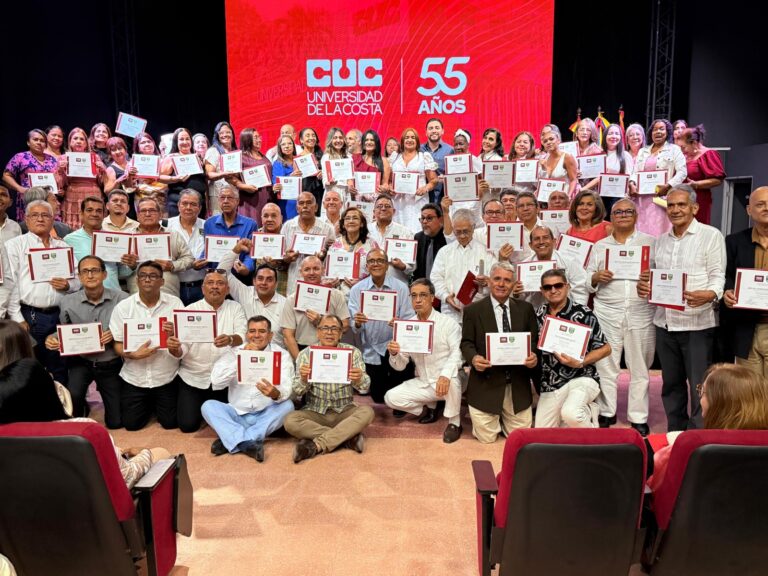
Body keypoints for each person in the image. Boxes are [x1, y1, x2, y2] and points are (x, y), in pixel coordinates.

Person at [0, 319, 170, 489]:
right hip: (89, 510)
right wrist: (145, 454)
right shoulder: (83, 431)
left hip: (22, 507)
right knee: (162, 453)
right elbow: (126, 477)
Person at [637, 185, 725, 431]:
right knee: (671, 384)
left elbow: (718, 275)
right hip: (665, 323)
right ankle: (675, 431)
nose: (675, 210)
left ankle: (697, 435)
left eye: (681, 204)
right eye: (671, 205)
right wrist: (644, 285)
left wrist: (711, 294)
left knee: (700, 386)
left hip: (697, 323)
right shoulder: (661, 241)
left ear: (694, 207)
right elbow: (652, 276)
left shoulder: (711, 235)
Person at [587, 199, 656, 435]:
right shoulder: (600, 246)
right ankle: (607, 411)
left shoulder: (650, 243)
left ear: (636, 215)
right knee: (607, 365)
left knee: (640, 367)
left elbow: (663, 278)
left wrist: (651, 280)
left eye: (628, 211)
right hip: (607, 311)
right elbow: (586, 280)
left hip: (641, 312)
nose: (623, 215)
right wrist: (597, 277)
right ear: (611, 217)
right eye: (618, 212)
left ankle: (639, 416)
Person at [648, 363, 768, 492]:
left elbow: (659, 494)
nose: (700, 399)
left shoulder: (691, 446)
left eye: (703, 392)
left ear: (720, 403)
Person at [44, 255, 128, 427]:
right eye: (85, 271)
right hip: (81, 362)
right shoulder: (68, 301)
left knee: (116, 422)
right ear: (80, 276)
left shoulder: (122, 299)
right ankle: (83, 408)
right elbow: (63, 331)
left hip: (109, 362)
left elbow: (131, 331)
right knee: (72, 406)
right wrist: (51, 339)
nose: (90, 275)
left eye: (95, 270)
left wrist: (114, 333)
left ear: (105, 275)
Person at [461, 262, 539, 442]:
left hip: (517, 383)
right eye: (497, 279)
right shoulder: (473, 310)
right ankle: (491, 416)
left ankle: (504, 417)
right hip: (486, 382)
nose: (501, 284)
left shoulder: (525, 309)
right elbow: (466, 343)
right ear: (488, 281)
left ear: (513, 284)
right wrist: (474, 359)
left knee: (519, 438)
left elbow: (533, 341)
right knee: (487, 438)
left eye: (507, 280)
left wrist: (533, 356)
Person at [203, 315, 294, 461]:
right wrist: (242, 358)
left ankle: (234, 440)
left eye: (262, 331)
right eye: (252, 331)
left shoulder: (281, 355)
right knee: (208, 406)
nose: (256, 335)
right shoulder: (235, 352)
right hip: (237, 414)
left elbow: (287, 387)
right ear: (247, 335)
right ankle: (249, 441)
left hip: (265, 414)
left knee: (288, 406)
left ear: (270, 336)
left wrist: (276, 393)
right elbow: (216, 380)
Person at [6, 200, 79, 383]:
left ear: (53, 219)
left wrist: (68, 285)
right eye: (35, 215)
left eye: (45, 215)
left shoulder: (63, 247)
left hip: (61, 314)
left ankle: (62, 408)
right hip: (30, 315)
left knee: (60, 365)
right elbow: (10, 283)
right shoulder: (14, 245)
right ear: (27, 219)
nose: (40, 219)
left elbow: (79, 278)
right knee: (30, 368)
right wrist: (17, 317)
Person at [284, 314, 373, 463]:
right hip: (315, 412)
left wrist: (359, 379)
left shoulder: (353, 353)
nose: (329, 332)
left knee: (367, 412)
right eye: (325, 328)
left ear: (340, 333)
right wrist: (304, 380)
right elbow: (297, 391)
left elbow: (365, 385)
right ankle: (346, 438)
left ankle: (317, 445)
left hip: (345, 410)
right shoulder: (305, 355)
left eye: (334, 329)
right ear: (318, 332)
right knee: (290, 420)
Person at [166, 269, 246, 433]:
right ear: (203, 289)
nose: (215, 287)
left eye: (220, 283)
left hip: (224, 378)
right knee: (187, 426)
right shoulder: (189, 311)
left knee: (234, 421)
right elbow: (182, 349)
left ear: (228, 289)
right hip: (194, 375)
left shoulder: (235, 308)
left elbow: (242, 336)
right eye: (210, 283)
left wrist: (230, 339)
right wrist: (174, 349)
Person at [386, 278, 464, 442]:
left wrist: (445, 375)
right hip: (424, 382)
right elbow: (400, 366)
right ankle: (429, 407)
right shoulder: (407, 327)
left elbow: (457, 354)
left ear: (432, 298)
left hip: (448, 380)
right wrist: (394, 354)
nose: (418, 300)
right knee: (390, 398)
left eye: (423, 295)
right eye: (414, 296)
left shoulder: (448, 323)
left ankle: (454, 422)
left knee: (453, 381)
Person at [110, 261, 183, 430]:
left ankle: (156, 405)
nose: (147, 279)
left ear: (162, 282)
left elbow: (182, 343)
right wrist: (131, 355)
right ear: (137, 280)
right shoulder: (123, 307)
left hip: (165, 376)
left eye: (153, 276)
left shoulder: (175, 304)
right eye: (143, 276)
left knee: (170, 423)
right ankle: (149, 405)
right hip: (135, 377)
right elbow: (118, 343)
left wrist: (173, 334)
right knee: (131, 425)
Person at [535, 268, 612, 428]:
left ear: (567, 286)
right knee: (542, 434)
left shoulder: (584, 313)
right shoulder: (538, 314)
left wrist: (580, 362)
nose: (553, 290)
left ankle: (591, 428)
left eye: (558, 285)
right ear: (542, 291)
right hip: (550, 384)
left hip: (581, 377)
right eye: (548, 287)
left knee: (572, 414)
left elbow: (606, 348)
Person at [348, 247, 414, 403]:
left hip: (394, 347)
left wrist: (398, 324)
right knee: (378, 397)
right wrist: (357, 322)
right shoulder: (357, 289)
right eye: (371, 261)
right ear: (366, 266)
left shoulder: (401, 288)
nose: (376, 264)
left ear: (387, 265)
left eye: (380, 261)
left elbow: (409, 318)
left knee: (399, 394)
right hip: (371, 348)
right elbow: (353, 325)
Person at [721, 186, 768, 378]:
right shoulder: (734, 241)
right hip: (745, 328)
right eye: (760, 204)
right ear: (749, 210)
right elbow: (726, 275)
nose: (766, 208)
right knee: (749, 393)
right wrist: (727, 292)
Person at [431, 208, 494, 326]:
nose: (462, 236)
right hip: (450, 313)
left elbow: (495, 280)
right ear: (453, 229)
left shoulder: (486, 252)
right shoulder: (444, 252)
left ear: (473, 227)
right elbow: (436, 278)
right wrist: (446, 296)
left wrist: (487, 282)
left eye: (466, 231)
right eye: (458, 232)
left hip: (479, 311)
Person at [219, 240, 287, 347]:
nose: (264, 283)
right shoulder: (245, 293)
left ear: (276, 284)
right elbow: (221, 272)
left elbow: (288, 337)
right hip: (247, 352)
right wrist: (236, 250)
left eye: (269, 279)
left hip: (275, 354)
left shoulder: (285, 304)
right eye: (260, 278)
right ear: (254, 281)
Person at [280, 256, 350, 359]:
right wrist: (300, 361)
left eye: (316, 269)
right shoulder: (291, 300)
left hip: (332, 348)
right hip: (302, 349)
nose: (312, 273)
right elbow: (288, 335)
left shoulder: (337, 295)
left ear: (323, 271)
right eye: (307, 269)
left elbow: (345, 326)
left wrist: (321, 322)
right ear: (301, 272)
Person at [629, 119, 687, 237]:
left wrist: (668, 186)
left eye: (661, 129)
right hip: (642, 200)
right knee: (641, 234)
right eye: (655, 129)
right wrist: (632, 183)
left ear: (667, 132)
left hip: (662, 199)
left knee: (660, 234)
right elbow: (635, 172)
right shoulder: (643, 151)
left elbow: (682, 172)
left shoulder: (674, 149)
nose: (658, 132)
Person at [63, 196, 134, 291]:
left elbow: (122, 273)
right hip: (85, 298)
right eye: (89, 210)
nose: (94, 214)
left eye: (99, 211)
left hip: (113, 295)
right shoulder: (69, 240)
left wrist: (132, 265)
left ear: (104, 215)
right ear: (81, 214)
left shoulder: (116, 239)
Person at [126, 197, 193, 297]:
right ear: (137, 216)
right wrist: (131, 266)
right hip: (137, 294)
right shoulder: (127, 236)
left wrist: (172, 266)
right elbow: (118, 268)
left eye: (152, 210)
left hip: (168, 293)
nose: (147, 214)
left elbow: (189, 259)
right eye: (143, 211)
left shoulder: (173, 234)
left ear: (160, 214)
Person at [514, 225, 588, 308]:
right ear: (531, 245)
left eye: (545, 237)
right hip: (535, 312)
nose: (541, 241)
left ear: (554, 241)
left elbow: (580, 288)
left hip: (565, 312)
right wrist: (517, 294)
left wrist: (575, 312)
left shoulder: (569, 261)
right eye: (537, 239)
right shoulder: (524, 266)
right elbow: (522, 297)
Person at [202, 186, 257, 282]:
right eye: (222, 198)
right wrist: (199, 261)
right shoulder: (209, 223)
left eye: (230, 198)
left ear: (237, 201)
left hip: (240, 278)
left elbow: (251, 253)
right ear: (218, 201)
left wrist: (247, 268)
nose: (226, 201)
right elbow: (207, 250)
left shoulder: (250, 224)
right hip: (216, 278)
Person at [280, 191, 335, 288]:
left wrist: (323, 256)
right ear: (297, 208)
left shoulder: (328, 228)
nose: (305, 206)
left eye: (309, 203)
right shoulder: (287, 226)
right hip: (294, 281)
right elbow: (280, 257)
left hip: (320, 283)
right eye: (301, 203)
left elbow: (333, 260)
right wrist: (286, 259)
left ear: (316, 207)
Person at [55, 127, 107, 229]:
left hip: (93, 194)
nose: (78, 141)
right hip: (72, 195)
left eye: (82, 139)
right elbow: (61, 185)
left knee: (94, 225)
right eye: (75, 138)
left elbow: (101, 182)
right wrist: (60, 170)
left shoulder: (94, 157)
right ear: (70, 142)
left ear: (86, 143)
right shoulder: (63, 158)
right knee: (72, 228)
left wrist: (102, 170)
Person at [3, 129, 59, 221]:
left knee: (49, 226)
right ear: (28, 142)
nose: (39, 143)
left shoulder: (52, 159)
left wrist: (59, 188)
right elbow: (6, 175)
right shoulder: (20, 157)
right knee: (29, 225)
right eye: (35, 139)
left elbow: (57, 178)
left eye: (42, 141)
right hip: (29, 198)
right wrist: (19, 188)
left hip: (49, 199)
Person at [388, 128, 438, 230]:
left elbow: (434, 180)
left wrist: (425, 188)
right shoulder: (394, 157)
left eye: (413, 137)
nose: (409, 140)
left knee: (417, 231)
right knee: (398, 232)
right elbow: (389, 181)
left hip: (418, 202)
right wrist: (390, 188)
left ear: (417, 141)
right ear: (402, 141)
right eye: (407, 137)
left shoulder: (424, 157)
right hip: (398, 203)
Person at [581, 123, 634, 215]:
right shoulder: (598, 154)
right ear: (605, 136)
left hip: (616, 199)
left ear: (621, 137)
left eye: (617, 134)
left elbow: (628, 178)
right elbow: (592, 176)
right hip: (597, 198)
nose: (613, 136)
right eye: (610, 133)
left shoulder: (625, 156)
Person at [325, 206, 379, 295]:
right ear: (343, 224)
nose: (351, 221)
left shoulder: (372, 245)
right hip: (337, 295)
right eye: (347, 218)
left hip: (363, 293)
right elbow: (326, 273)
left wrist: (362, 284)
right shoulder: (334, 245)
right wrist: (331, 281)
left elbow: (379, 271)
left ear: (361, 223)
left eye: (355, 218)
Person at [167, 189, 208, 305]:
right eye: (184, 203)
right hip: (174, 287)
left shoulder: (208, 226)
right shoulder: (165, 226)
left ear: (200, 208)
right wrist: (190, 264)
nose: (188, 207)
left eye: (193, 204)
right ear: (178, 205)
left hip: (201, 287)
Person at [680, 125, 726, 225]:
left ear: (694, 143)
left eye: (684, 147)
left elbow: (718, 180)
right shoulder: (685, 156)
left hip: (698, 199)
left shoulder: (708, 154)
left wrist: (696, 184)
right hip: (681, 198)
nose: (683, 150)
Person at [161, 127, 208, 218]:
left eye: (187, 139)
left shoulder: (197, 157)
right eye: (181, 139)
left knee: (198, 231)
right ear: (176, 142)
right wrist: (175, 179)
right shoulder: (171, 158)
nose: (185, 142)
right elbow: (160, 177)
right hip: (178, 203)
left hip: (198, 204)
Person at [230, 127, 274, 223]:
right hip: (249, 200)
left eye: (259, 137)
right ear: (247, 139)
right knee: (251, 227)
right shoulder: (241, 157)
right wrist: (243, 186)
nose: (259, 140)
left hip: (266, 198)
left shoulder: (263, 156)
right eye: (256, 137)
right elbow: (230, 177)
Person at [367, 194, 413, 284]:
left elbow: (412, 268)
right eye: (379, 206)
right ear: (373, 211)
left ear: (394, 211)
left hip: (397, 284)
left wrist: (403, 266)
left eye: (387, 206)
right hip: (369, 285)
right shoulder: (365, 231)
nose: (383, 208)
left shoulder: (406, 232)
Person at [204, 121, 238, 216]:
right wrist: (223, 174)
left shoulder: (236, 152)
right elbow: (209, 174)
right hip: (218, 194)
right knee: (219, 221)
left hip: (234, 192)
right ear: (217, 135)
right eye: (222, 133)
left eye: (228, 132)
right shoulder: (213, 151)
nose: (225, 135)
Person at [131, 133, 166, 218]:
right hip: (143, 199)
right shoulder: (133, 162)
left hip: (163, 200)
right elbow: (130, 185)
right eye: (143, 143)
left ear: (153, 143)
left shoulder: (163, 160)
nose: (147, 144)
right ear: (138, 147)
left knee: (164, 227)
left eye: (149, 141)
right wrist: (130, 175)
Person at [538, 124, 578, 199]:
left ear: (558, 140)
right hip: (549, 200)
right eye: (545, 141)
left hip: (564, 199)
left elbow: (573, 180)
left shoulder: (567, 157)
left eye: (551, 139)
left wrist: (568, 197)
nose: (548, 142)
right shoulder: (544, 159)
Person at [351, 130, 392, 202]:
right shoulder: (354, 159)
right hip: (356, 201)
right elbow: (350, 180)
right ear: (363, 143)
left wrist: (384, 187)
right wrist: (350, 187)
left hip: (375, 201)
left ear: (376, 143)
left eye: (372, 140)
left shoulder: (384, 161)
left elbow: (385, 183)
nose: (369, 142)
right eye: (366, 140)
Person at [413, 202, 449, 282]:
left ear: (440, 220)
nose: (425, 222)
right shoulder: (418, 238)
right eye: (422, 218)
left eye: (429, 218)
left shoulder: (447, 239)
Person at [421, 118, 454, 203]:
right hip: (421, 197)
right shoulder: (419, 150)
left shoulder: (450, 150)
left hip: (442, 198)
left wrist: (446, 178)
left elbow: (454, 174)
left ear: (442, 131)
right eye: (430, 128)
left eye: (437, 128)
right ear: (426, 132)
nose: (434, 130)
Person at [321, 127, 355, 205]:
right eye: (335, 138)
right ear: (330, 140)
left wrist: (351, 185)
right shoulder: (326, 157)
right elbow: (324, 179)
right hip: (332, 191)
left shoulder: (349, 157)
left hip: (346, 193)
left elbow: (350, 178)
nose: (338, 140)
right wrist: (328, 182)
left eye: (340, 138)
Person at [271, 134, 301, 220]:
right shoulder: (278, 164)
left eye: (289, 143)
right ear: (279, 147)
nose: (287, 146)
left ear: (294, 145)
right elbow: (276, 184)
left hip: (301, 201)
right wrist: (291, 176)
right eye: (283, 144)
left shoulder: (300, 160)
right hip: (287, 203)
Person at [297, 127, 325, 209]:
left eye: (313, 135)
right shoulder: (297, 159)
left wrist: (325, 173)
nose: (311, 138)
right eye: (307, 136)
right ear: (301, 140)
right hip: (306, 194)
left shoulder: (323, 156)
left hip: (321, 193)